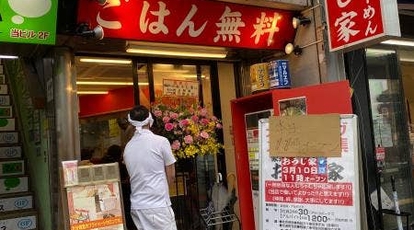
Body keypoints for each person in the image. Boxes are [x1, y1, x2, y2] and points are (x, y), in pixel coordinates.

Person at [123, 105, 177, 230]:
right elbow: (171, 175)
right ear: (149, 119)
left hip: (137, 206)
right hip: (158, 205)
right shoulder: (161, 141)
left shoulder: (128, 147)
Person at [101, 145, 136, 230]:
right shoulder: (120, 165)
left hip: (107, 194)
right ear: (119, 154)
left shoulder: (103, 162)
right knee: (127, 214)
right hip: (123, 193)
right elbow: (127, 179)